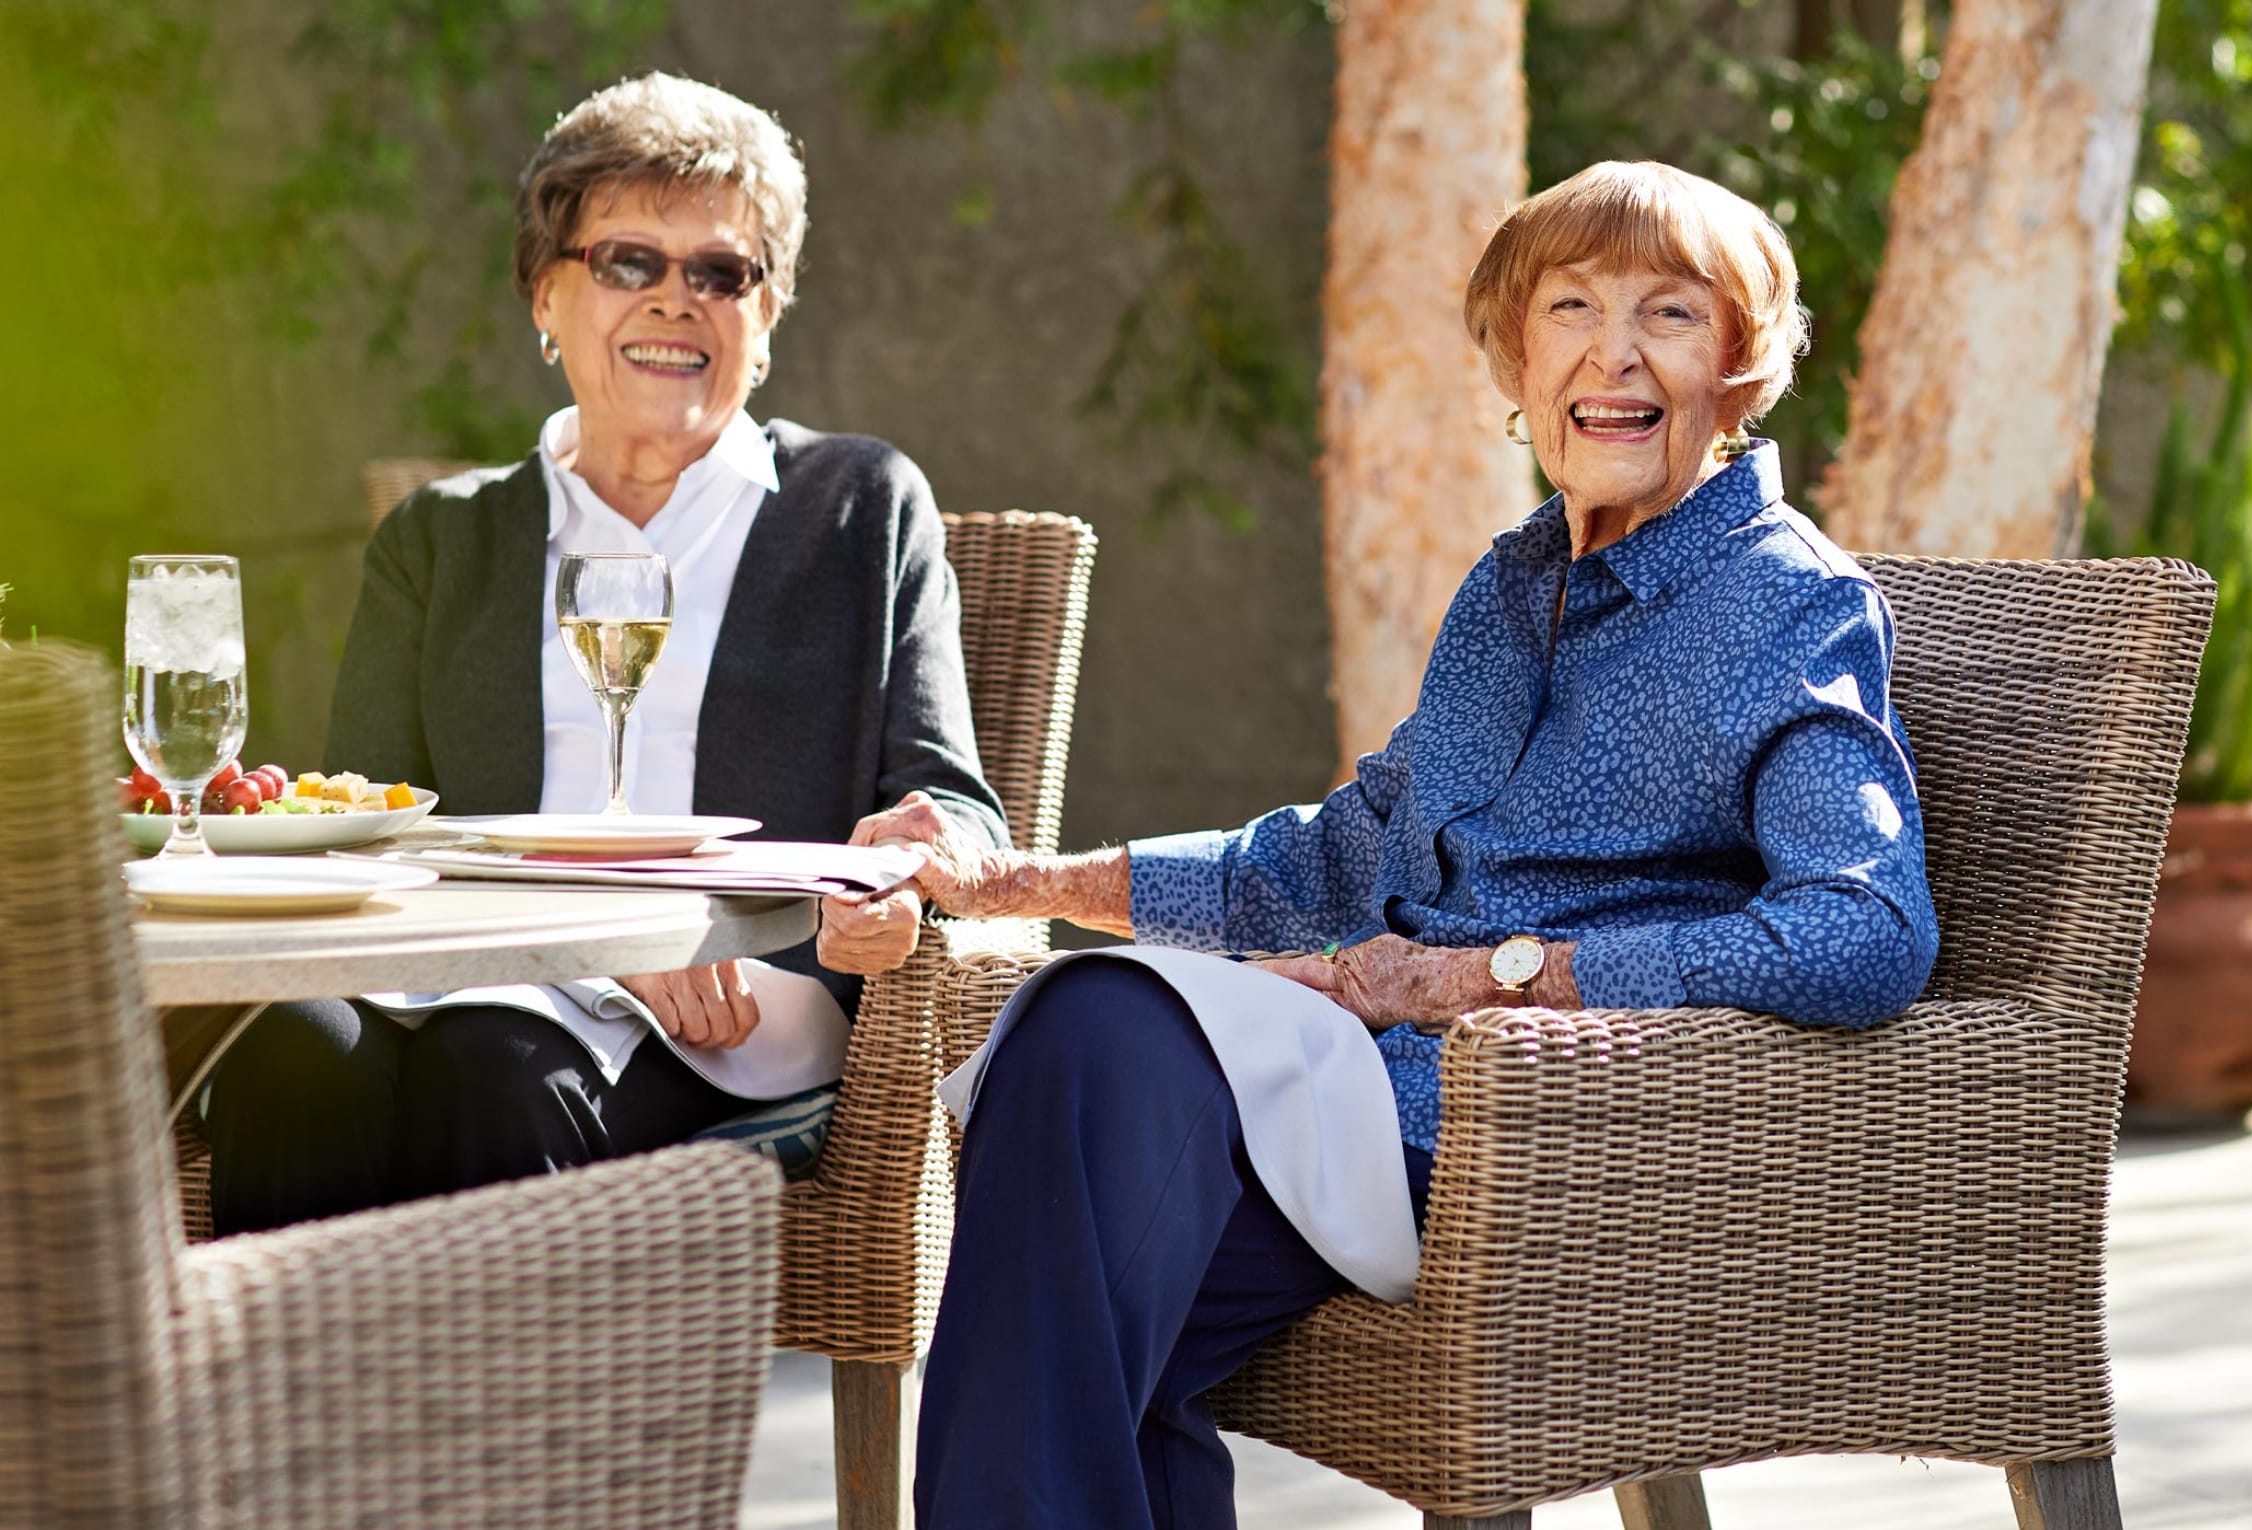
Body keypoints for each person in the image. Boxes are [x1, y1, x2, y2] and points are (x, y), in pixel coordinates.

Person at [825, 159, 1938, 1529]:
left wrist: (1487, 978)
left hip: (1550, 1138)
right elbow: (1337, 858)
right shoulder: (1513, 583)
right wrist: (1016, 881)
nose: (1613, 352)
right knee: (1078, 1122)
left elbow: (1869, 931)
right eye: (1571, 308)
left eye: (1670, 313)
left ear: (1738, 368)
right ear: (1518, 365)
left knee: (1081, 1139)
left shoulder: (1791, 604)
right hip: (1365, 1100)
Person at [198, 73, 995, 1235]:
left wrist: (901, 880)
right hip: (459, 972)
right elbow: (362, 830)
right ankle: (280, 1417)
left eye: (720, 273)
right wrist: (592, 953)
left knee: (493, 1069)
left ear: (764, 319)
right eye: (629, 262)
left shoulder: (858, 510)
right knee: (290, 1048)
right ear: (545, 294)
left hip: (727, 1016)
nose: (676, 301)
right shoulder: (443, 538)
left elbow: (958, 810)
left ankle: (515, 1423)